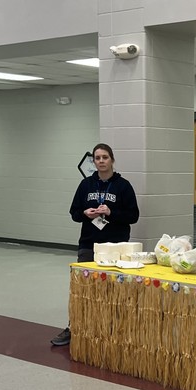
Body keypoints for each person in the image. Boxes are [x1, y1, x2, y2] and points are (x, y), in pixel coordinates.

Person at [50, 143, 139, 346]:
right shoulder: (85, 185)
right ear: (94, 161)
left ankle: (112, 331)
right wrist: (85, 213)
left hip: (115, 247)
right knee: (82, 290)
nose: (101, 161)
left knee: (112, 291)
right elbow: (73, 213)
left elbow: (133, 216)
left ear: (112, 160)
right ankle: (75, 327)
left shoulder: (123, 186)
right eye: (97, 158)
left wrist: (111, 213)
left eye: (105, 157)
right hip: (89, 244)